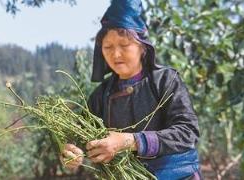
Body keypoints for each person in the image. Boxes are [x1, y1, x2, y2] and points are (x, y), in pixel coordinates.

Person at [61, 0, 201, 179]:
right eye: (108, 47)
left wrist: (130, 141)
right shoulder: (100, 96)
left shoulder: (165, 80)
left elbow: (187, 132)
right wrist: (72, 151)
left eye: (124, 45)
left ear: (142, 47)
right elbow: (78, 134)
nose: (116, 54)